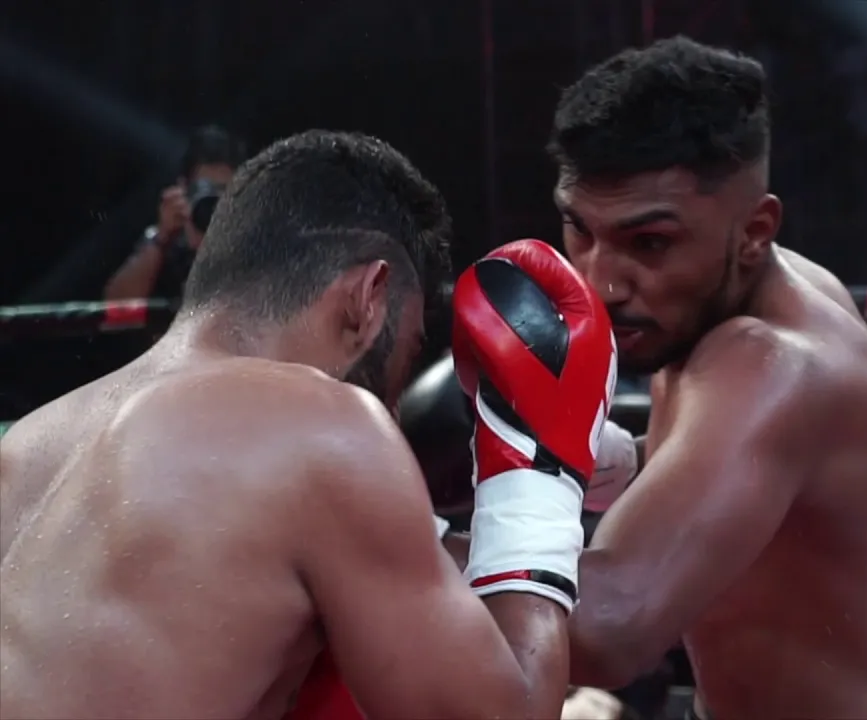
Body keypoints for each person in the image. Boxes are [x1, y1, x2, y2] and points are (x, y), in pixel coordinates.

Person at [0, 130, 616, 719]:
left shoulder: (29, 442)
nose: (392, 407)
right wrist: (537, 478)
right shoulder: (326, 426)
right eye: (407, 352)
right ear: (369, 297)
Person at [545, 36, 867, 719]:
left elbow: (607, 631)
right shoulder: (743, 300)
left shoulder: (774, 364)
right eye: (580, 230)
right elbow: (742, 469)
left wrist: (394, 535)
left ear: (756, 231)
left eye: (650, 243)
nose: (599, 282)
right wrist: (621, 462)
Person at [104, 125, 248, 301]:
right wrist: (162, 238)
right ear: (183, 187)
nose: (214, 200)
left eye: (223, 190)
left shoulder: (251, 240)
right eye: (205, 188)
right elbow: (116, 305)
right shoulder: (166, 242)